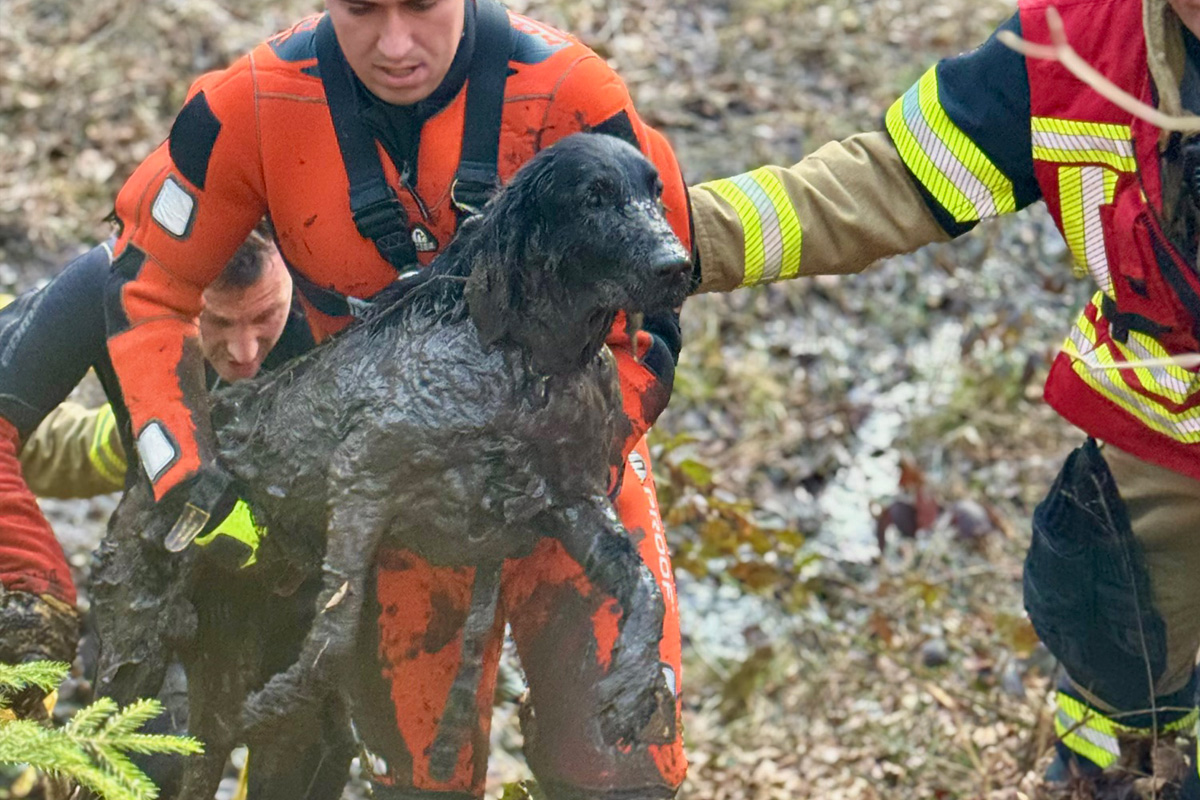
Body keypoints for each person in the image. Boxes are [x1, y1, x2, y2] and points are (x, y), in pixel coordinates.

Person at [101, 0, 692, 797]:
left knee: (620, 769)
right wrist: (183, 471)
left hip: (572, 464)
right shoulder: (251, 106)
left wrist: (576, 442)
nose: (396, 44)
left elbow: (657, 307)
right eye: (363, 9)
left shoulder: (570, 92)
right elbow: (145, 286)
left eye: (421, 6)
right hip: (393, 499)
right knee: (420, 783)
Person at [688, 0, 1200, 790]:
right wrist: (682, 236)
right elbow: (891, 179)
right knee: (1115, 670)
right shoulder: (1070, 46)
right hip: (1162, 461)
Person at [0, 227, 305, 674]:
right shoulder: (117, 280)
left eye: (266, 316)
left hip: (308, 581)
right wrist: (32, 582)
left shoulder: (333, 270)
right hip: (162, 581)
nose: (244, 352)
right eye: (217, 322)